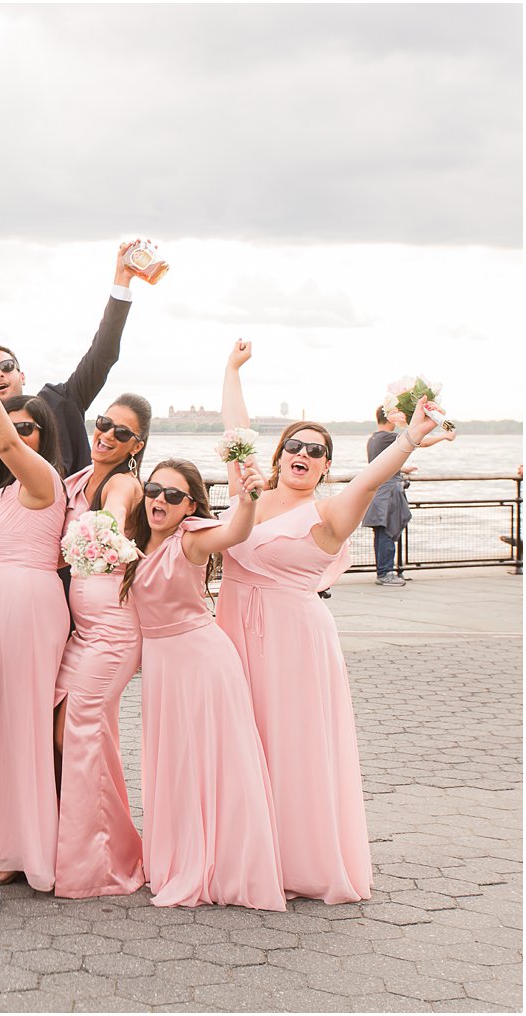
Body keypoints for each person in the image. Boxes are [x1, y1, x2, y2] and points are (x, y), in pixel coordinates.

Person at [218, 340, 449, 903]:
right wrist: (231, 370)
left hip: (293, 639)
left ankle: (297, 859)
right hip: (232, 631)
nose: (303, 454)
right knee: (240, 740)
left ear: (325, 465)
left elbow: (370, 480)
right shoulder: (246, 491)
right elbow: (236, 430)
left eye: (316, 451)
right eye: (294, 445)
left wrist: (410, 438)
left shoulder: (327, 513)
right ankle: (244, 846)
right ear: (278, 455)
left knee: (290, 744)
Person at [120, 458, 284, 910]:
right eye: (155, 489)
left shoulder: (190, 540)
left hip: (201, 663)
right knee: (174, 761)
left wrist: (250, 501)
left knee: (213, 761)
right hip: (161, 667)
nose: (160, 500)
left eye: (174, 495)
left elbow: (234, 534)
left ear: (190, 505)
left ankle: (225, 862)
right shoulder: (128, 543)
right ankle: (177, 853)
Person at [0, 342, 70, 890]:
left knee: (18, 724)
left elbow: (0, 439)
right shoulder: (2, 492)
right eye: (14, 427)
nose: (18, 436)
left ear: (42, 438)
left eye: (30, 429)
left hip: (25, 602)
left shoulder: (42, 480)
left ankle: (19, 845)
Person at [52, 393, 151, 899]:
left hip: (113, 632)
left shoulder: (124, 484)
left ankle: (106, 858)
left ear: (137, 445)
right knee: (59, 729)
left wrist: (104, 526)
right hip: (79, 632)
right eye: (104, 422)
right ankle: (80, 841)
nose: (107, 433)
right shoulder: (76, 481)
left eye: (122, 431)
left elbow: (116, 509)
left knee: (80, 734)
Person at [0, 241, 141, 495]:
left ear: (21, 375)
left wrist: (121, 281)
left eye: (6, 366)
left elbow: (101, 355)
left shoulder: (62, 401)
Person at [364, 404, 455, 585]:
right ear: (391, 417)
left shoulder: (374, 438)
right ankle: (385, 573)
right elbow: (418, 440)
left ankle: (385, 571)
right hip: (387, 492)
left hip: (379, 491)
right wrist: (444, 436)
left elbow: (380, 462)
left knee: (381, 533)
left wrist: (402, 468)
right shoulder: (389, 437)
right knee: (387, 533)